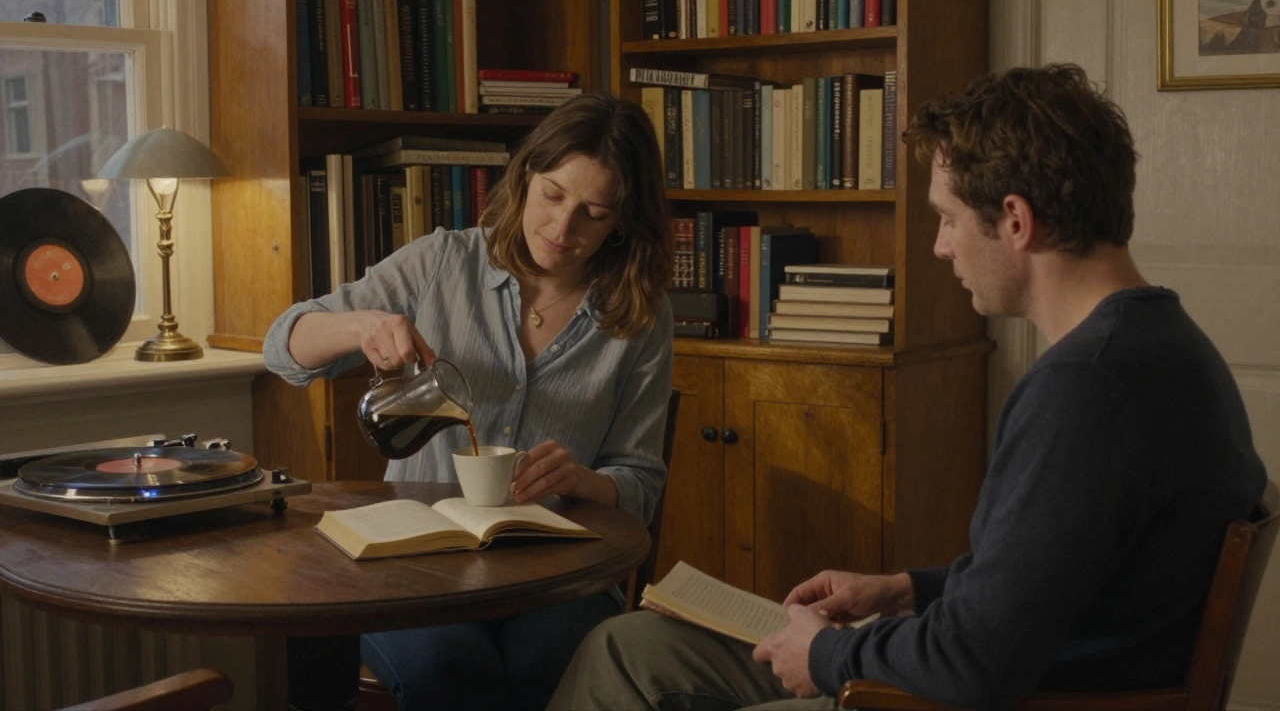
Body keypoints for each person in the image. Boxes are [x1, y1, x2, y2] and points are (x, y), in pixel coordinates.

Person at [547, 64, 1269, 711]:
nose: (940, 246)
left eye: (948, 219)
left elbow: (973, 665)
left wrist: (825, 654)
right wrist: (907, 590)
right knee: (628, 647)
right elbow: (1045, 576)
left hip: (972, 699)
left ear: (1016, 221)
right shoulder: (1163, 345)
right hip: (1005, 673)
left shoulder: (1083, 393)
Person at [262, 92, 674, 711]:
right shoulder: (442, 263)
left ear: (622, 220)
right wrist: (361, 325)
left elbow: (640, 483)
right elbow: (282, 347)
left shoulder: (640, 314)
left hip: (557, 574)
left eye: (593, 213)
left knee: (549, 665)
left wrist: (583, 481)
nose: (562, 228)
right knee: (453, 672)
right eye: (553, 196)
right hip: (414, 565)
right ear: (526, 175)